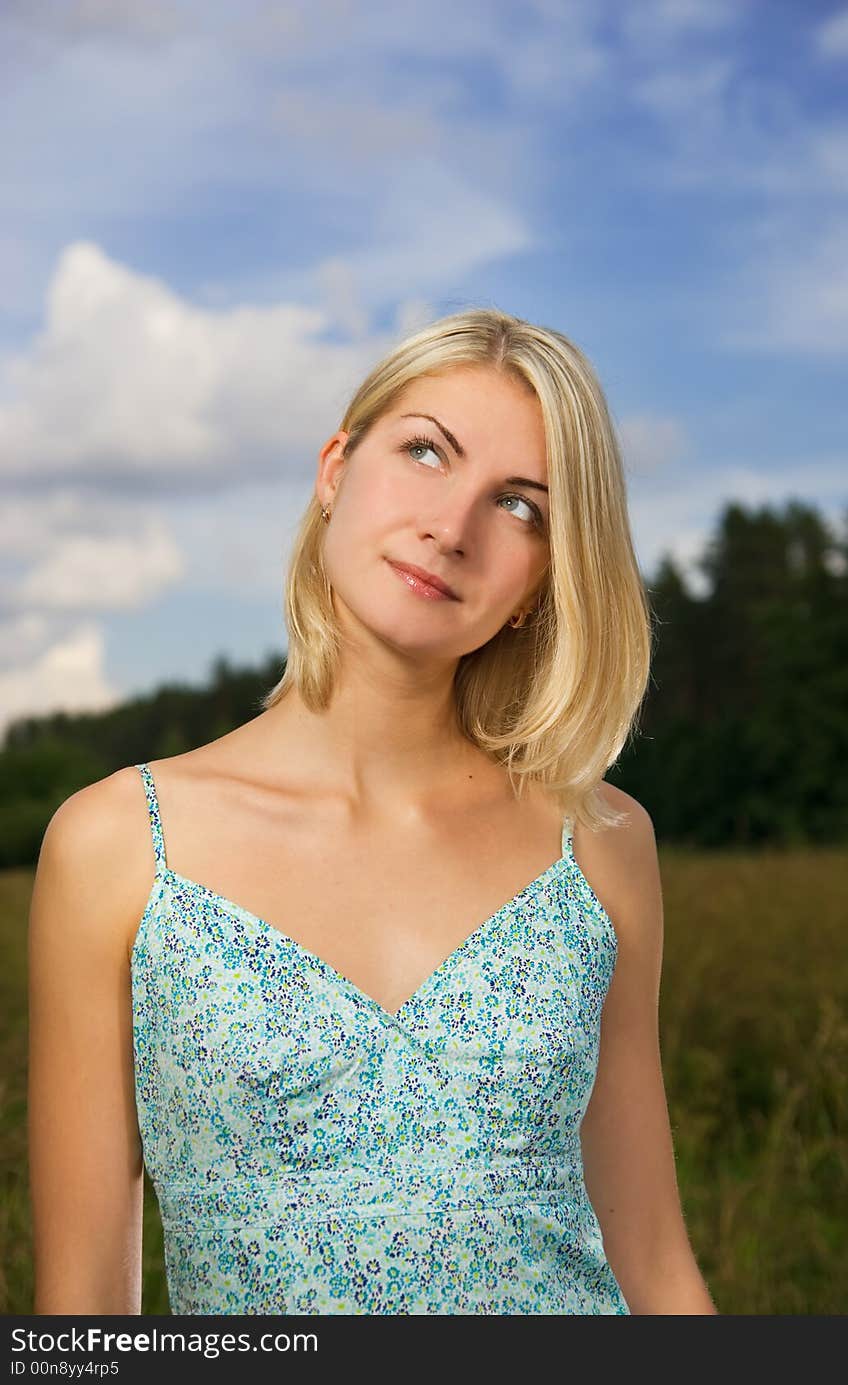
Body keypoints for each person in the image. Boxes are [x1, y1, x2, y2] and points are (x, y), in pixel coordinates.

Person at [27, 306, 717, 1315]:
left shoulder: (602, 844)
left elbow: (654, 1265)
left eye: (520, 506)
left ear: (538, 585)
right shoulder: (118, 846)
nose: (453, 527)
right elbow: (84, 1308)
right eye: (425, 451)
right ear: (334, 470)